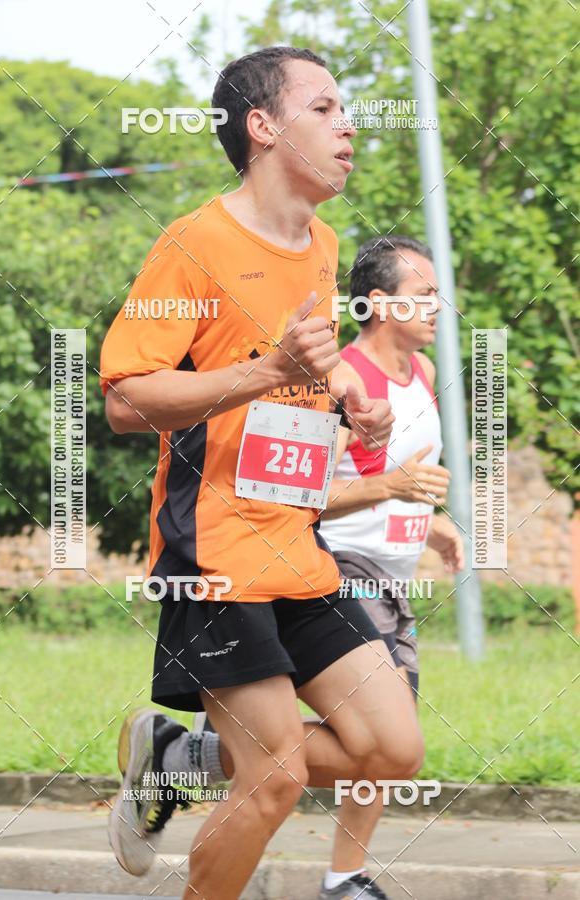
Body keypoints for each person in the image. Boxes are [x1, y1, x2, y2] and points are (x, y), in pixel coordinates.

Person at [100, 47, 422, 900]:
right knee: (275, 776)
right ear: (263, 127)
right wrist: (269, 370)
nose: (349, 125)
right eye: (324, 108)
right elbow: (127, 400)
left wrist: (350, 396)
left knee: (393, 748)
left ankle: (177, 758)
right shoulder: (194, 245)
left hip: (297, 546)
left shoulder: (321, 242)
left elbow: (304, 357)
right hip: (214, 555)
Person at [316, 235, 465, 897]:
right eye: (423, 295)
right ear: (379, 303)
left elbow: (398, 480)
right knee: (390, 736)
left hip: (393, 579)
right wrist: (398, 489)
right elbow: (310, 496)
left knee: (388, 744)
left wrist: (432, 527)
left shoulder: (423, 373)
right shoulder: (345, 382)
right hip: (341, 571)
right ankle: (199, 756)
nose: (438, 307)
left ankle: (345, 875)